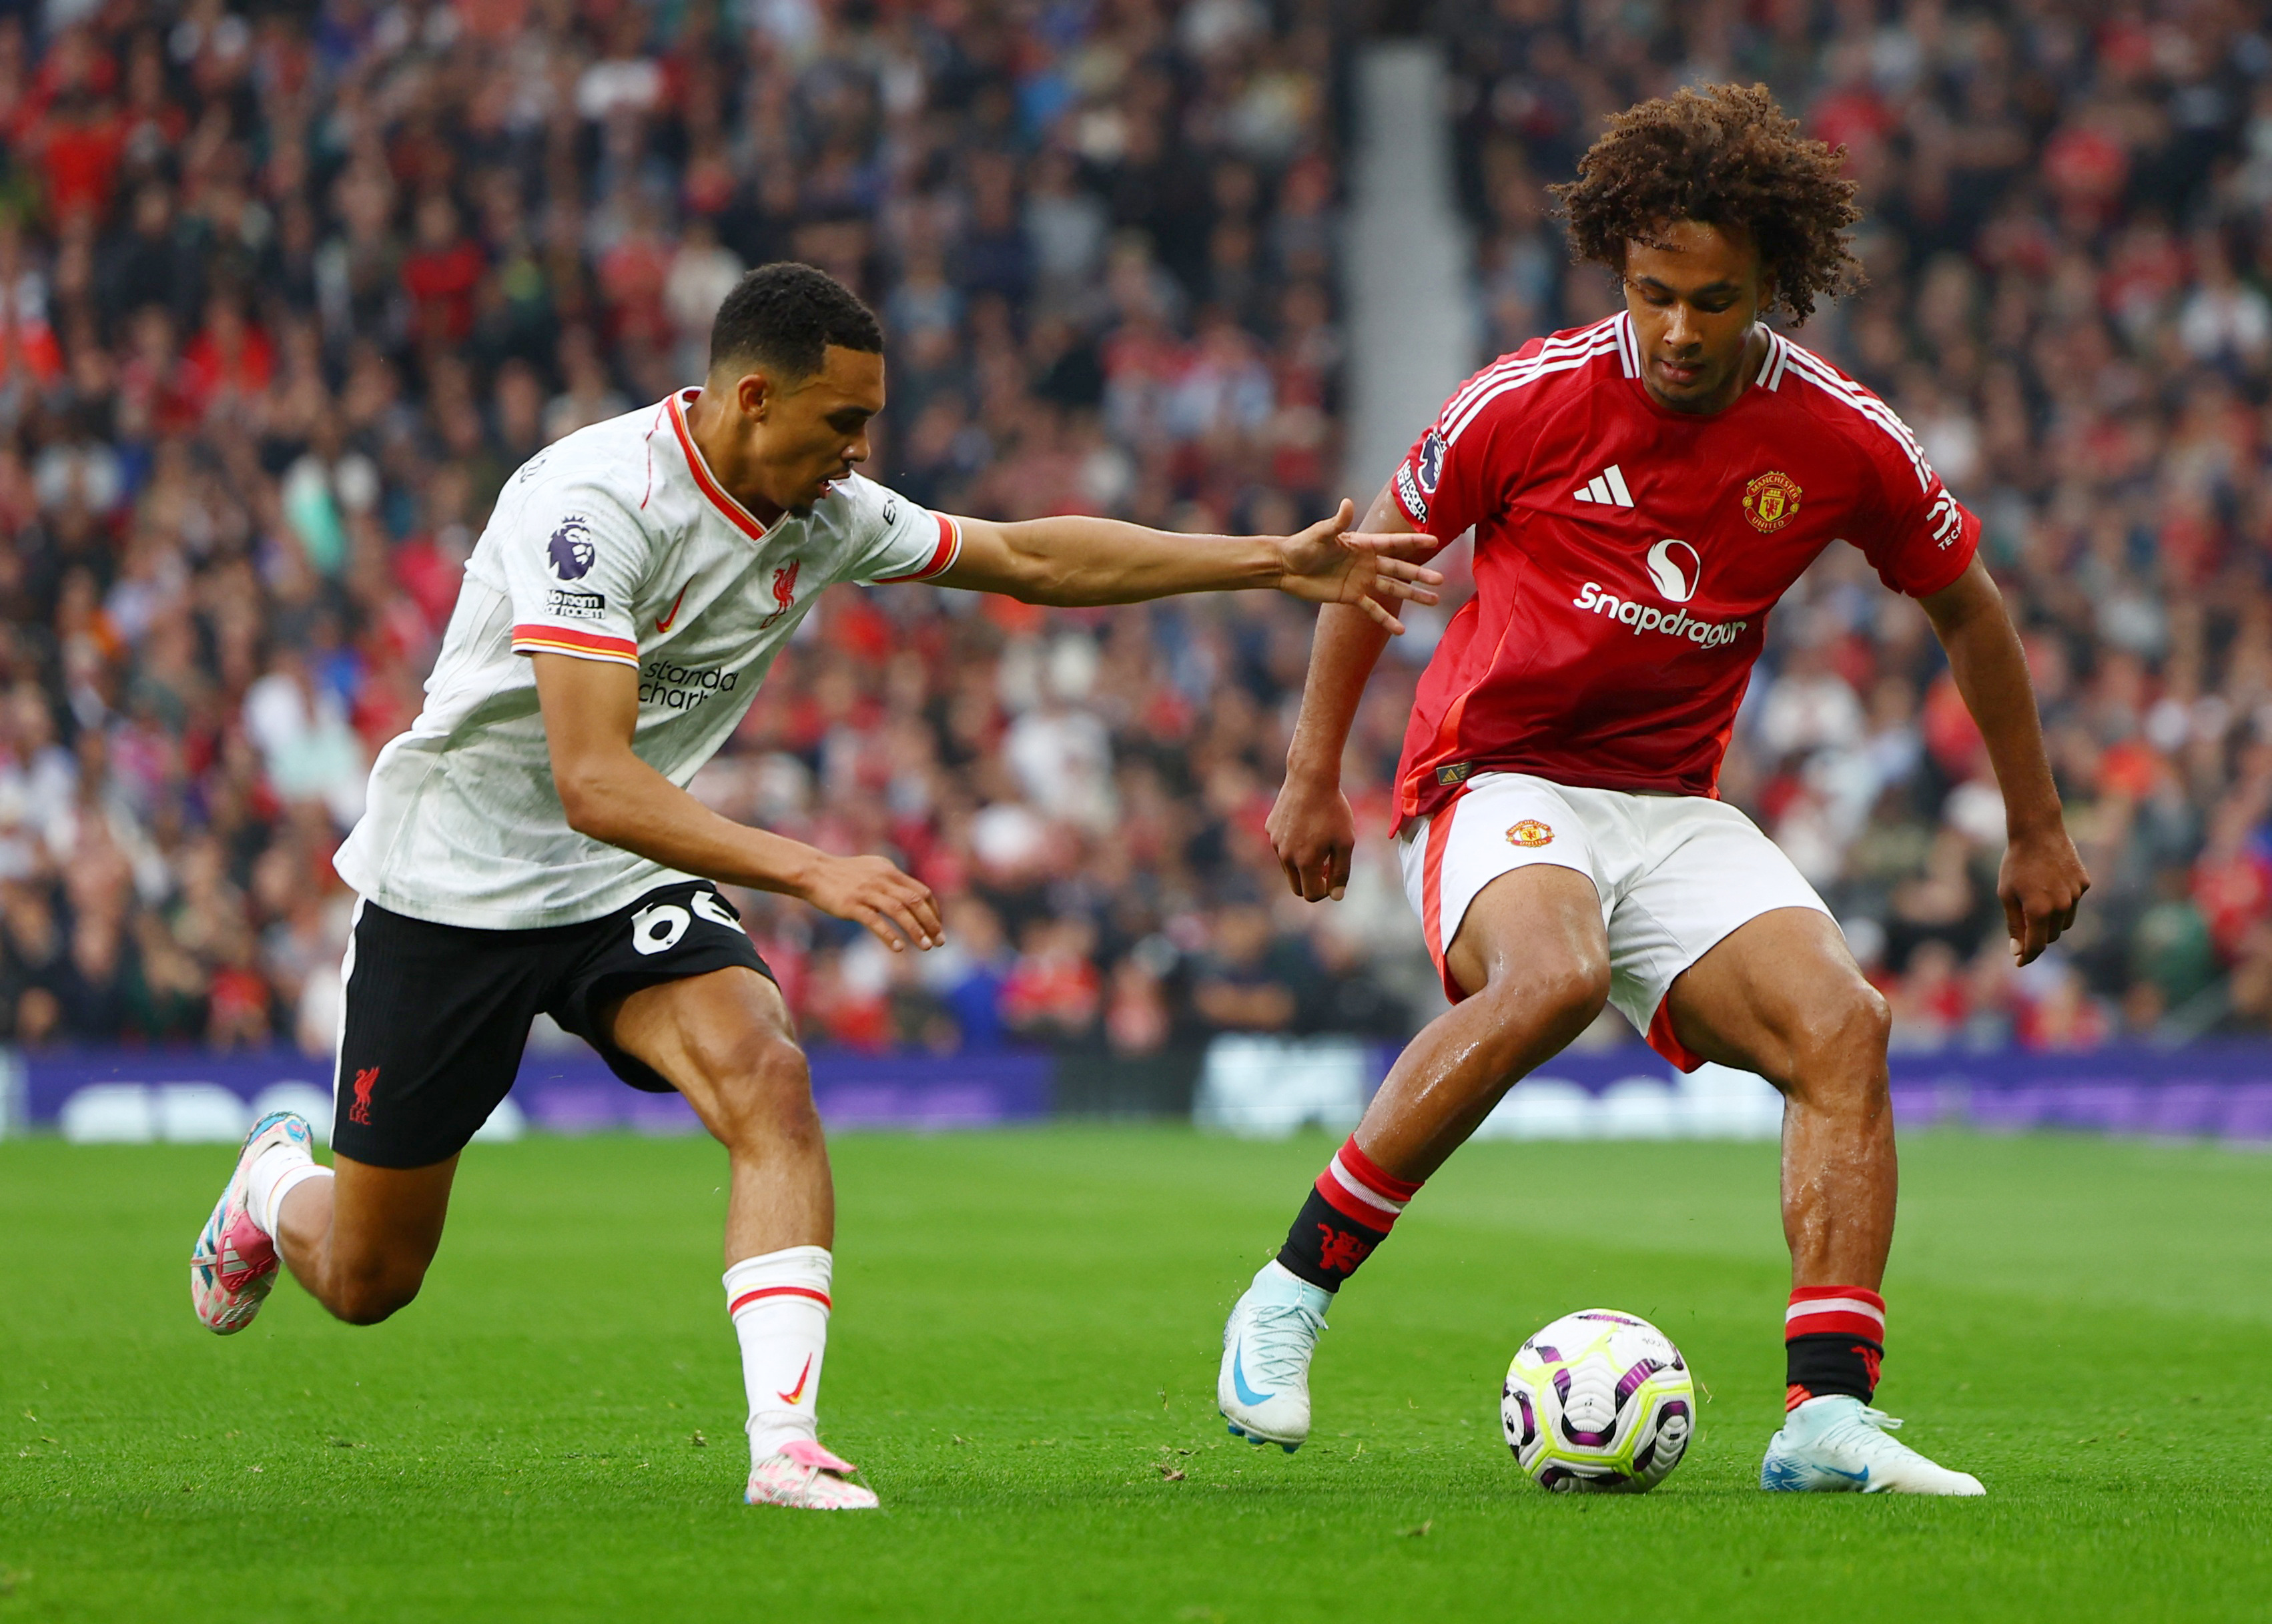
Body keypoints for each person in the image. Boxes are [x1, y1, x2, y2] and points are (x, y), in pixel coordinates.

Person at [187, 262, 1441, 1512]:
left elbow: (1027, 558)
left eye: (868, 426)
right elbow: (594, 779)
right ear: (749, 399)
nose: (859, 453)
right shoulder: (589, 505)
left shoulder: (820, 512)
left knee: (767, 1072)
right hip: (455, 888)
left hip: (623, 883)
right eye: (842, 423)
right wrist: (813, 869)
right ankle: (272, 1183)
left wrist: (1272, 561)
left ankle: (784, 1444)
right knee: (368, 1277)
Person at [1214, 85, 2089, 1496]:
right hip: (1488, 778)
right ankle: (1289, 1291)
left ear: (1772, 290)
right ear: (1617, 267)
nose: (1677, 329)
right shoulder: (1526, 397)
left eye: (1713, 300)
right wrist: (1313, 775)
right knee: (1550, 976)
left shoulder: (1843, 436)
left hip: (1668, 804)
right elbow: (1371, 562)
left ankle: (1821, 1421)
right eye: (1652, 293)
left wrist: (2036, 824)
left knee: (1842, 1026)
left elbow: (1970, 613)